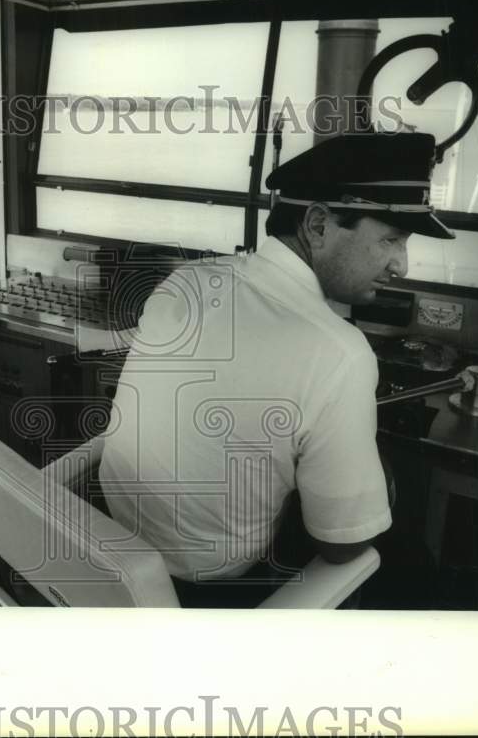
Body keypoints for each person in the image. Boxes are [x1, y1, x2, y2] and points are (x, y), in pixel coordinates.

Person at [97, 131, 455, 607]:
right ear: (319, 224)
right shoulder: (340, 354)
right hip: (211, 587)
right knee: (412, 564)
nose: (402, 265)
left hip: (110, 543)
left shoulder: (186, 281)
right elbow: (341, 543)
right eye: (390, 239)